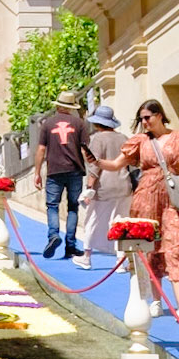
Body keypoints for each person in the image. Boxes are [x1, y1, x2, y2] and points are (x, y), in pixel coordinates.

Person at [92, 97, 179, 319]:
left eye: (147, 118)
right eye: (141, 119)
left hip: (172, 199)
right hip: (146, 198)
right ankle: (157, 301)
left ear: (159, 115)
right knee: (152, 250)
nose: (145, 123)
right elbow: (117, 164)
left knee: (175, 246)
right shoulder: (139, 141)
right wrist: (97, 162)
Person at [33, 89, 91, 260]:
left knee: (52, 206)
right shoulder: (80, 124)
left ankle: (53, 236)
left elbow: (41, 149)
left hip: (54, 170)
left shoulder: (48, 124)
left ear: (58, 106)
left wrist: (37, 173)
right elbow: (85, 149)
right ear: (72, 107)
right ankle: (70, 246)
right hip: (75, 170)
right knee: (73, 207)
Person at [74, 102, 129, 269]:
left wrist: (90, 186)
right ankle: (120, 261)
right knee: (120, 222)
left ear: (97, 123)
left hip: (104, 186)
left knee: (93, 220)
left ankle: (87, 256)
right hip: (124, 185)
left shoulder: (97, 139)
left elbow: (94, 164)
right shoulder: (124, 138)